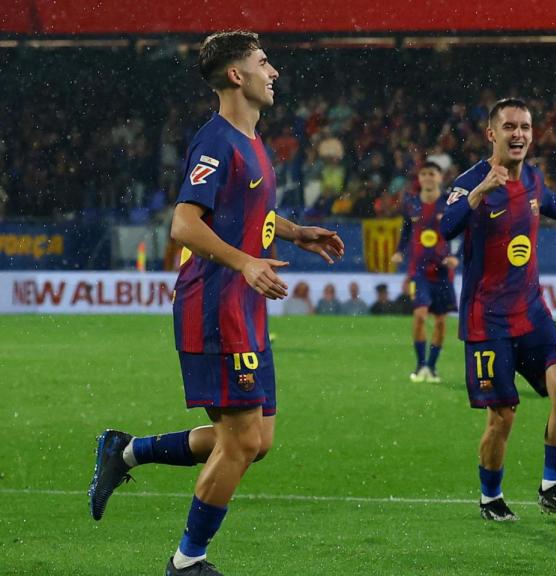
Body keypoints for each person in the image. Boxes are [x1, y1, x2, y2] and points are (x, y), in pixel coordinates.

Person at [88, 31, 344, 576]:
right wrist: (246, 263)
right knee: (241, 440)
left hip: (243, 306)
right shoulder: (216, 141)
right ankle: (188, 561)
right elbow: (184, 223)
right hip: (215, 304)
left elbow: (248, 218)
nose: (273, 71)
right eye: (263, 61)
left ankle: (127, 451)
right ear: (236, 75)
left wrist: (295, 232)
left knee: (257, 441)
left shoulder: (253, 143)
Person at [441, 97, 556, 523]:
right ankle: (491, 498)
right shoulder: (470, 182)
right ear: (492, 134)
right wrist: (481, 191)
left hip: (532, 312)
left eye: (525, 127)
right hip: (488, 321)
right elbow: (443, 227)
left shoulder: (534, 179)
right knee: (502, 416)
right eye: (509, 127)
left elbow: (552, 201)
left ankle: (551, 487)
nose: (518, 134)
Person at [391, 162, 459, 382]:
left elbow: (463, 232)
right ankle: (420, 366)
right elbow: (405, 233)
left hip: (442, 273)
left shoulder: (450, 202)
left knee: (440, 321)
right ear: (419, 179)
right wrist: (400, 252)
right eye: (424, 174)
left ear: (440, 177)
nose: (428, 178)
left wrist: (455, 257)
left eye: (432, 174)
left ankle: (431, 367)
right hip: (418, 271)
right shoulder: (411, 203)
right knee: (420, 316)